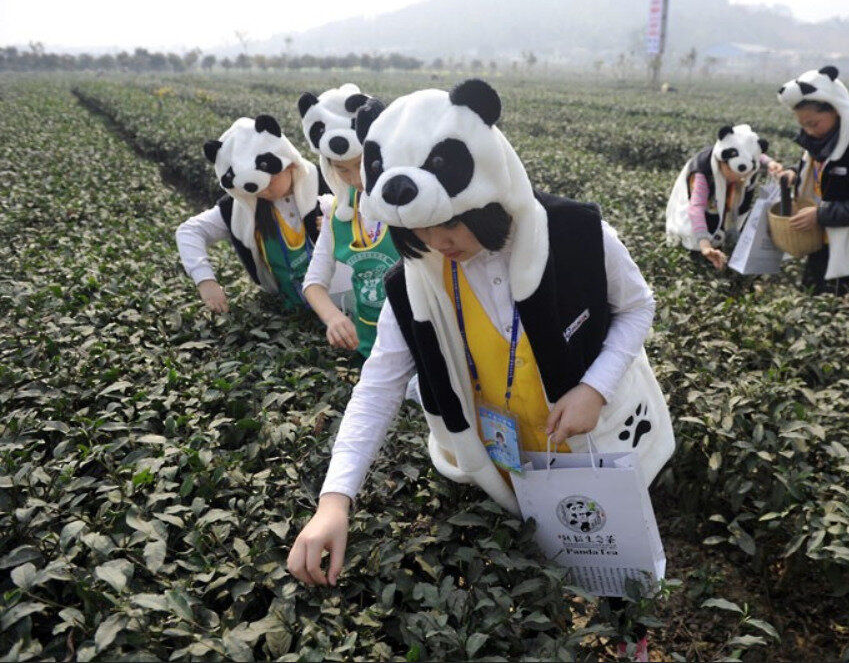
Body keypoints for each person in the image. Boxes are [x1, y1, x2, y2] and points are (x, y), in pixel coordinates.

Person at [287, 82, 675, 655]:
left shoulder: (576, 233)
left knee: (615, 564)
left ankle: (629, 640)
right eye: (416, 233)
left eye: (449, 225)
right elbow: (378, 386)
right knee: (533, 573)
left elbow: (638, 306)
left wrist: (595, 385)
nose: (436, 243)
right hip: (504, 460)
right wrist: (334, 500)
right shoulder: (416, 279)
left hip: (592, 445)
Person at [176, 115, 334, 312]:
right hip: (291, 312)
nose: (263, 192)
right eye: (254, 188)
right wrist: (205, 280)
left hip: (343, 305)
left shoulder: (327, 183)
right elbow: (189, 231)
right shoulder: (239, 209)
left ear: (290, 163)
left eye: (270, 182)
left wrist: (342, 226)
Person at [297, 85, 400, 360]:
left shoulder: (407, 207)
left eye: (363, 165)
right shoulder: (337, 214)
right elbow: (314, 283)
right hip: (369, 349)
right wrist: (332, 317)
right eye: (342, 170)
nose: (356, 179)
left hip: (418, 350)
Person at [774, 65, 849, 296]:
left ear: (837, 110)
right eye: (803, 125)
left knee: (841, 305)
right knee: (810, 302)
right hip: (821, 241)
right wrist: (794, 173)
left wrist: (821, 215)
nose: (809, 132)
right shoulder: (822, 139)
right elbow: (819, 168)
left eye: (813, 123)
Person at [664, 124, 778, 269]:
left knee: (722, 218)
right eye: (731, 170)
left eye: (742, 174)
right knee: (693, 231)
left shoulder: (746, 163)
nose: (736, 177)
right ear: (721, 160)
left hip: (719, 204)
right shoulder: (702, 172)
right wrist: (704, 245)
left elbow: (753, 152)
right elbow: (696, 208)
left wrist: (770, 163)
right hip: (699, 207)